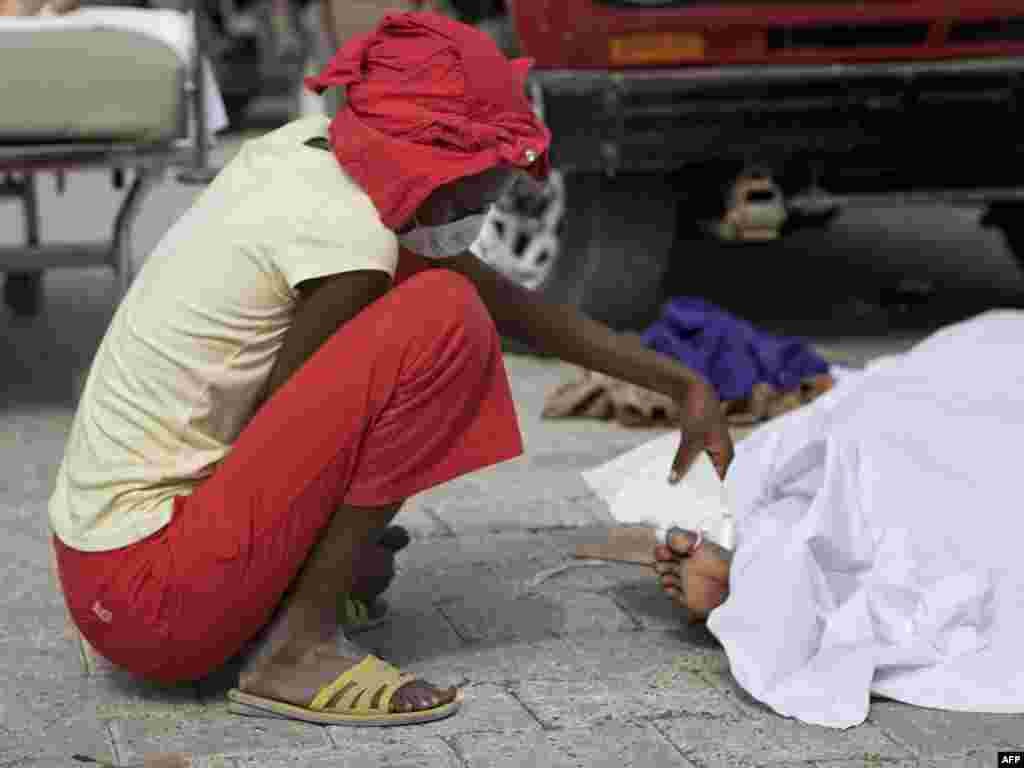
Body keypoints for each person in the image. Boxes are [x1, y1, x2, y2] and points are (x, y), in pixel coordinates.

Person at [49, 11, 734, 727]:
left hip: (107, 571)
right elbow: (278, 426)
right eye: (481, 189)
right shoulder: (353, 242)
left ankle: (285, 612)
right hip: (150, 595)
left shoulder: (312, 159)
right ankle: (296, 649)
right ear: (433, 167)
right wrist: (327, 555)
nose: (484, 210)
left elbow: (515, 307)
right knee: (444, 321)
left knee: (448, 303)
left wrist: (680, 383)